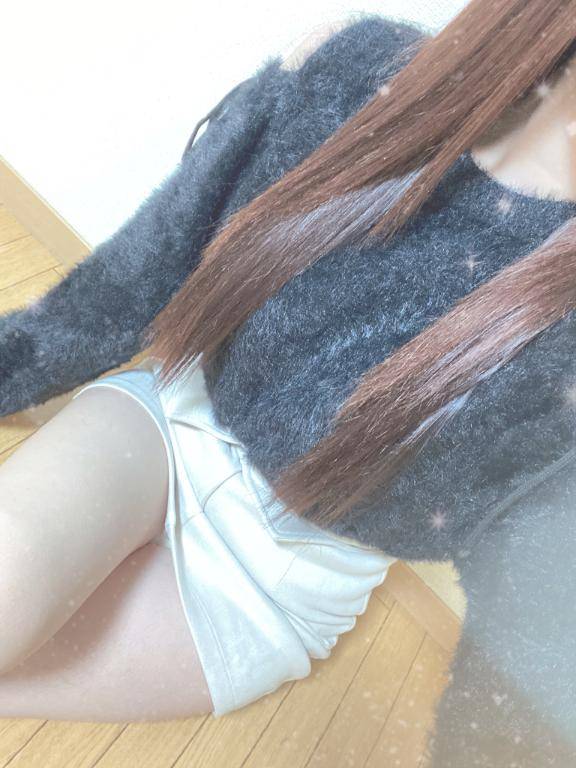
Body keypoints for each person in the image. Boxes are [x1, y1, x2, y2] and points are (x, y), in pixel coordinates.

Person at [1, 2, 576, 764]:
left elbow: (536, 631)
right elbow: (135, 278)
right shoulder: (354, 72)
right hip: (168, 431)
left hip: (272, 589)